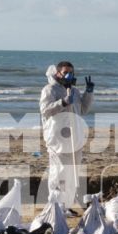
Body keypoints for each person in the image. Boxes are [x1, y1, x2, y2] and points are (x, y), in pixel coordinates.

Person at [38, 61, 93, 208]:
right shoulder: (49, 90)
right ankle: (56, 205)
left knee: (72, 173)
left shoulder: (74, 91)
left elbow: (83, 110)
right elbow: (45, 110)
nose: (69, 75)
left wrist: (88, 93)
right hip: (57, 138)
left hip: (74, 138)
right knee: (59, 171)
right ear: (57, 73)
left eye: (71, 73)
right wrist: (62, 102)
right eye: (65, 72)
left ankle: (67, 205)